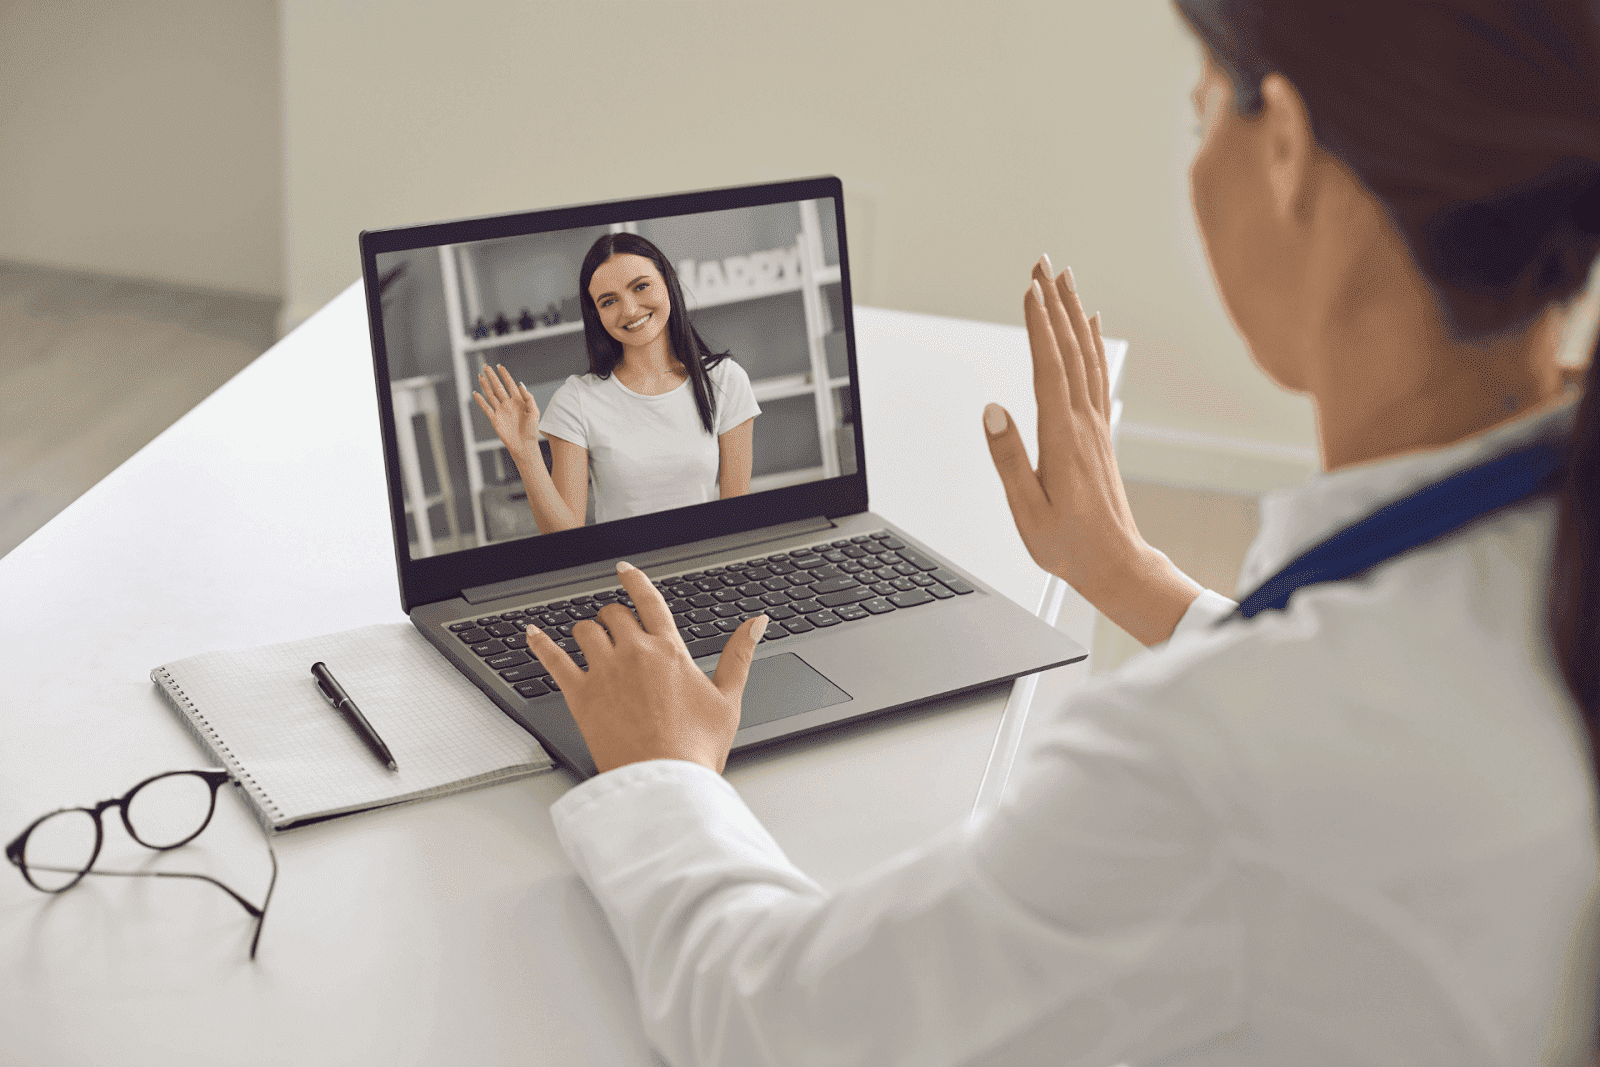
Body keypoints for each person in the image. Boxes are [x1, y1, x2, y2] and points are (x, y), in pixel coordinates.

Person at [526, 1, 1600, 1063]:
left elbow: (778, 1025)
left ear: (1282, 146)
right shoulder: (1546, 541)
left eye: (1198, 124)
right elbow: (1385, 696)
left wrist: (663, 772)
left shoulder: (1209, 761)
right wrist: (1135, 579)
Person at [473, 232, 760, 532]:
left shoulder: (725, 380)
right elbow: (565, 535)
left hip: (705, 565)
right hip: (623, 569)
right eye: (609, 301)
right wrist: (527, 454)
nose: (630, 310)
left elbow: (735, 518)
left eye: (641, 286)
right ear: (596, 314)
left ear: (668, 282)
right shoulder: (575, 400)